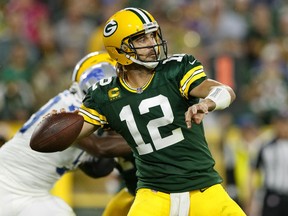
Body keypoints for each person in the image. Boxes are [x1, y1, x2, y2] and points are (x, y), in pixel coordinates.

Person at [38, 7, 246, 216]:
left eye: (152, 35)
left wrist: (208, 103)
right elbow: (74, 136)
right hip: (153, 195)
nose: (152, 44)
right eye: (141, 39)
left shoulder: (176, 69)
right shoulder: (105, 94)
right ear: (119, 49)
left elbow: (223, 90)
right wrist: (53, 126)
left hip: (205, 188)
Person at [0, 51, 131, 216]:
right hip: (5, 184)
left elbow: (98, 169)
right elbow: (100, 148)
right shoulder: (72, 109)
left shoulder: (82, 106)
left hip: (34, 194)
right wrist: (147, 137)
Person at [249, 111, 288, 216]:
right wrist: (251, 199)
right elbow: (254, 172)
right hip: (273, 194)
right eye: (281, 123)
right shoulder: (266, 146)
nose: (284, 127)